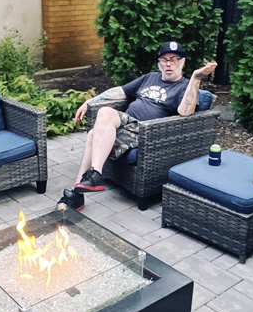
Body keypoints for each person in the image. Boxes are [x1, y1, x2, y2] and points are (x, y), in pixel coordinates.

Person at [57, 41, 217, 211]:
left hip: (146, 132)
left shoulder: (184, 86)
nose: (169, 64)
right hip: (127, 124)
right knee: (94, 130)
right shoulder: (150, 77)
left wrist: (196, 78)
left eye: (174, 59)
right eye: (164, 59)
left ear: (182, 62)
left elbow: (185, 112)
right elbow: (119, 92)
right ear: (159, 63)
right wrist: (89, 102)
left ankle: (90, 179)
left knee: (99, 123)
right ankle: (81, 189)